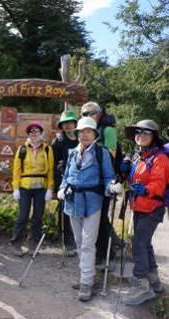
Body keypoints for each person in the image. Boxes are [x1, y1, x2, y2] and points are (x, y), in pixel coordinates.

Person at [58, 117, 122, 301]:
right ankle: (86, 275)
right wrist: (62, 188)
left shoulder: (101, 153)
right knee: (79, 242)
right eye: (81, 131)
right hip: (72, 202)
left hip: (93, 202)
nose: (84, 134)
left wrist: (112, 187)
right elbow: (67, 175)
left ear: (95, 134)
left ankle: (86, 283)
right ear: (77, 134)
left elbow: (109, 177)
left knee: (87, 243)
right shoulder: (72, 153)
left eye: (88, 131)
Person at [122, 119, 169, 306]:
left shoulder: (160, 159)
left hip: (151, 208)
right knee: (145, 243)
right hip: (139, 206)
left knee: (139, 244)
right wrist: (125, 171)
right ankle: (154, 282)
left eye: (145, 133)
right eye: (138, 132)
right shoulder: (140, 156)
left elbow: (159, 184)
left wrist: (146, 189)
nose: (140, 136)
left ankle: (142, 286)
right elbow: (133, 180)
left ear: (154, 137)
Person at [80, 101, 121, 267]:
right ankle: (100, 252)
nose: (88, 116)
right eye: (84, 114)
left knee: (102, 219)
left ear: (98, 114)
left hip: (103, 182)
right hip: (88, 183)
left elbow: (110, 157)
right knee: (91, 219)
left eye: (90, 113)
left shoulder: (108, 131)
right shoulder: (85, 132)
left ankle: (105, 254)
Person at [11, 122, 54, 256]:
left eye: (37, 131)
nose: (34, 134)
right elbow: (16, 169)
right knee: (22, 216)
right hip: (24, 186)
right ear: (28, 134)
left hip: (41, 187)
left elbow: (50, 170)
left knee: (37, 217)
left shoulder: (47, 149)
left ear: (41, 133)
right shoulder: (22, 149)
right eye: (31, 132)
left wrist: (50, 188)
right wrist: (16, 187)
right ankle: (16, 243)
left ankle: (33, 244)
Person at [52, 110, 78, 257]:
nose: (68, 126)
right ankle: (67, 241)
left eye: (70, 122)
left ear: (75, 123)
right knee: (65, 212)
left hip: (81, 181)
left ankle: (77, 239)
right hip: (64, 182)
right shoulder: (58, 141)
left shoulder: (81, 140)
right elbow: (53, 163)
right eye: (65, 123)